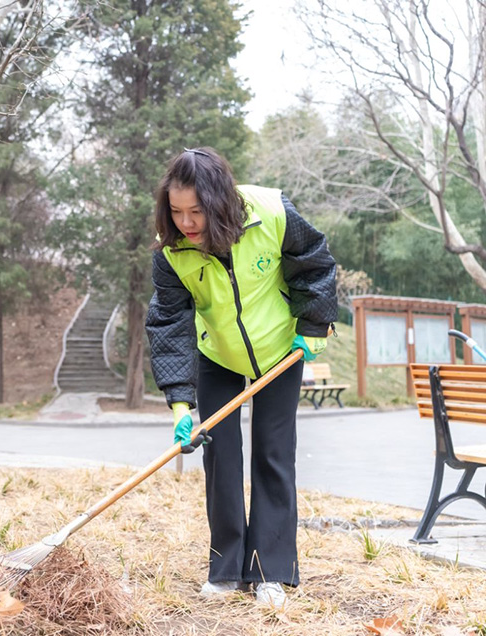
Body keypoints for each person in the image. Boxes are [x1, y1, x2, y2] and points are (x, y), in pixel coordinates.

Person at [145, 147, 337, 608]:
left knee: (274, 454)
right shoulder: (171, 252)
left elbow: (315, 262)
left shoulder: (272, 213)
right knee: (221, 458)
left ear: (220, 202)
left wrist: (312, 327)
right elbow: (168, 324)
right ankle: (226, 567)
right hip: (219, 355)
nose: (186, 222)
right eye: (176, 211)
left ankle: (272, 571)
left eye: (196, 211)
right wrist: (180, 405)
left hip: (279, 352)